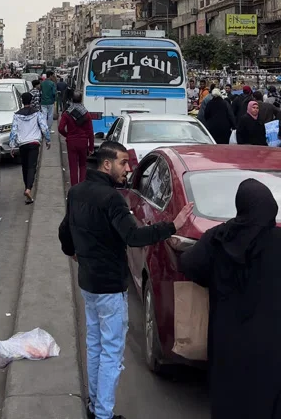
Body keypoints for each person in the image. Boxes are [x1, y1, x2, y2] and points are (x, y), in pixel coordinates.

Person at [59, 142, 193, 419]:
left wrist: (72, 251)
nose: (129, 168)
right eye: (123, 163)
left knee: (95, 344)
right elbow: (134, 237)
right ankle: (104, 414)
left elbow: (65, 230)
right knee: (110, 351)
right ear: (106, 165)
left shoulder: (76, 192)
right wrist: (172, 226)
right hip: (109, 286)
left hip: (88, 282)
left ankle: (95, 406)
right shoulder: (112, 199)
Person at [180, 179, 281, 419]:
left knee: (229, 394)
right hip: (272, 341)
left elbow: (190, 265)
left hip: (228, 337)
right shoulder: (277, 242)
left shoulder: (219, 237)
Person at [9, 91, 51, 204]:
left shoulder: (17, 115)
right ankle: (28, 189)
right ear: (31, 101)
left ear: (22, 102)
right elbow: (44, 127)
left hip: (22, 144)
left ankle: (26, 188)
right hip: (34, 143)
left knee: (25, 166)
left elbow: (13, 131)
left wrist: (12, 146)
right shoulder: (37, 113)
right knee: (32, 166)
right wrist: (48, 140)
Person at [58, 90, 95, 186]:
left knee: (73, 166)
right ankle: (82, 187)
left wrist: (68, 135)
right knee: (83, 165)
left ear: (72, 99)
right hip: (83, 142)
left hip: (71, 143)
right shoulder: (86, 114)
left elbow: (60, 128)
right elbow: (90, 132)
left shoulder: (67, 113)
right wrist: (91, 147)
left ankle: (74, 187)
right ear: (81, 99)